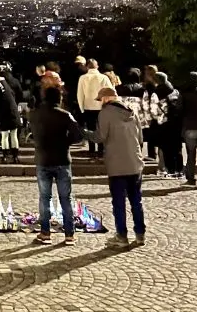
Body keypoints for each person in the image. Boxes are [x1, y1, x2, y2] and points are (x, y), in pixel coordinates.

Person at [29, 85, 84, 244]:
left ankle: (45, 233)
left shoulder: (35, 115)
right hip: (62, 159)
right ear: (59, 98)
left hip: (43, 159)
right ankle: (69, 234)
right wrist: (65, 142)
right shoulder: (65, 115)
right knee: (65, 199)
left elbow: (32, 133)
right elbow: (78, 135)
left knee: (45, 198)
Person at [93, 84, 146, 248]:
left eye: (101, 99)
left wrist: (83, 133)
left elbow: (100, 137)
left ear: (107, 98)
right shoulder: (132, 111)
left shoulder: (105, 113)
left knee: (119, 202)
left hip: (116, 164)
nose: (100, 102)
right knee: (136, 201)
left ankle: (122, 236)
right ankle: (140, 235)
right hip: (135, 162)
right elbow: (140, 137)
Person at [77, 59, 109, 158]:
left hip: (88, 106)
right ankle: (101, 149)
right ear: (97, 66)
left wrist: (81, 108)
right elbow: (110, 91)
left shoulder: (83, 77)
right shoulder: (104, 77)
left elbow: (80, 94)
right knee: (101, 128)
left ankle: (91, 149)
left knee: (90, 128)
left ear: (87, 67)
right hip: (101, 107)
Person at [154, 71, 183, 178]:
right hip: (176, 123)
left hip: (164, 123)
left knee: (166, 148)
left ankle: (170, 170)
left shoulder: (157, 92)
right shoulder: (174, 91)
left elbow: (154, 109)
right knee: (177, 148)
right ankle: (179, 170)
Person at [181, 71, 197, 188]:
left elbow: (180, 110)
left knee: (191, 155)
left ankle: (191, 178)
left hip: (190, 127)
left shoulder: (185, 94)